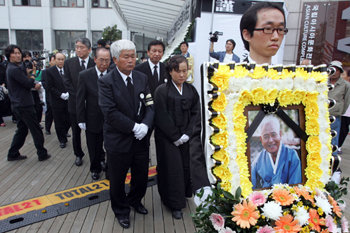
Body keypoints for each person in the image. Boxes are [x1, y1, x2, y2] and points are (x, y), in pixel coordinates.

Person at [98, 39, 154, 229]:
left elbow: (150, 105)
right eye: (126, 57)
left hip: (140, 139)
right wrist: (134, 127)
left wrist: (145, 126)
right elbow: (110, 113)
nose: (132, 60)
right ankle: (121, 210)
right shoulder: (106, 82)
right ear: (115, 59)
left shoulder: (141, 78)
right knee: (117, 179)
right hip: (118, 140)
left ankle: (135, 201)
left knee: (141, 176)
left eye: (133, 56)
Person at [154, 55, 210, 219]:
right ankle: (174, 204)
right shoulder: (161, 91)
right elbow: (161, 116)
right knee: (172, 169)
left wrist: (187, 133)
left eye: (185, 71)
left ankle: (184, 195)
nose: (182, 75)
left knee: (186, 166)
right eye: (178, 71)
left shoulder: (191, 90)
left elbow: (196, 113)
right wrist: (175, 136)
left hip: (186, 136)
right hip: (167, 138)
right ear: (170, 71)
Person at [5, 44, 51, 162]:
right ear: (9, 55)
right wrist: (33, 74)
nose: (18, 55)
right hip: (24, 104)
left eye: (19, 53)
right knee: (35, 129)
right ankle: (42, 153)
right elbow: (28, 83)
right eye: (14, 53)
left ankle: (13, 153)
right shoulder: (13, 69)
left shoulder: (14, 67)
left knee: (22, 129)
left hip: (19, 103)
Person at [77, 47, 110, 180]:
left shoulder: (114, 73)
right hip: (92, 117)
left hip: (110, 118)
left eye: (107, 61)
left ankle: (108, 167)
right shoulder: (85, 75)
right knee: (93, 146)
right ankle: (95, 168)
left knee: (110, 145)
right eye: (101, 60)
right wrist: (81, 119)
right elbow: (80, 98)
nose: (104, 63)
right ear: (95, 59)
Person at [63, 38, 95, 166]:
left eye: (81, 47)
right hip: (75, 103)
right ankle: (78, 154)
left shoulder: (95, 62)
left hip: (92, 105)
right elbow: (66, 81)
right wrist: (79, 96)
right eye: (76, 47)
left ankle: (98, 155)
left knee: (93, 133)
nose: (78, 50)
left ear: (89, 49)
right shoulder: (69, 63)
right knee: (76, 132)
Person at [251, 116, 302, 189]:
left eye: (274, 135)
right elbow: (251, 187)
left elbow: (295, 188)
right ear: (261, 140)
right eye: (266, 136)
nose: (270, 140)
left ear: (280, 135)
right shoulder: (258, 160)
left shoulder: (292, 155)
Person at [46, 53, 70, 149]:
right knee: (58, 121)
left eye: (62, 59)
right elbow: (49, 87)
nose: (61, 61)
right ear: (55, 60)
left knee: (69, 119)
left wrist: (69, 93)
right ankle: (62, 140)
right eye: (59, 59)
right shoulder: (49, 71)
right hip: (56, 100)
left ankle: (64, 132)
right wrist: (60, 95)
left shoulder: (68, 70)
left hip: (68, 99)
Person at [328, 60, 350, 155]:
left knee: (333, 139)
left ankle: (332, 161)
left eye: (336, 70)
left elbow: (347, 101)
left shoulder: (345, 85)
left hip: (335, 116)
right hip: (321, 115)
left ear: (340, 72)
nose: (334, 72)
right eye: (332, 69)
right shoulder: (324, 82)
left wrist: (340, 111)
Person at [41, 53, 56, 135]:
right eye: (54, 60)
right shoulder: (45, 71)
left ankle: (63, 131)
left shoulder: (62, 71)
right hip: (50, 95)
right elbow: (44, 83)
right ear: (50, 61)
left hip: (60, 96)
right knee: (49, 112)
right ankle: (47, 128)